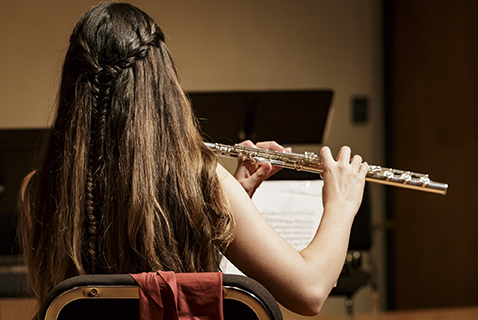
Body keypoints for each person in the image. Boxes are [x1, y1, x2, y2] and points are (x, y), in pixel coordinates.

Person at [18, 2, 368, 316]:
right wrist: (341, 203)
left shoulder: (36, 190)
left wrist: (236, 193)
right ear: (161, 86)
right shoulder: (203, 182)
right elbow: (309, 292)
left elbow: (132, 290)